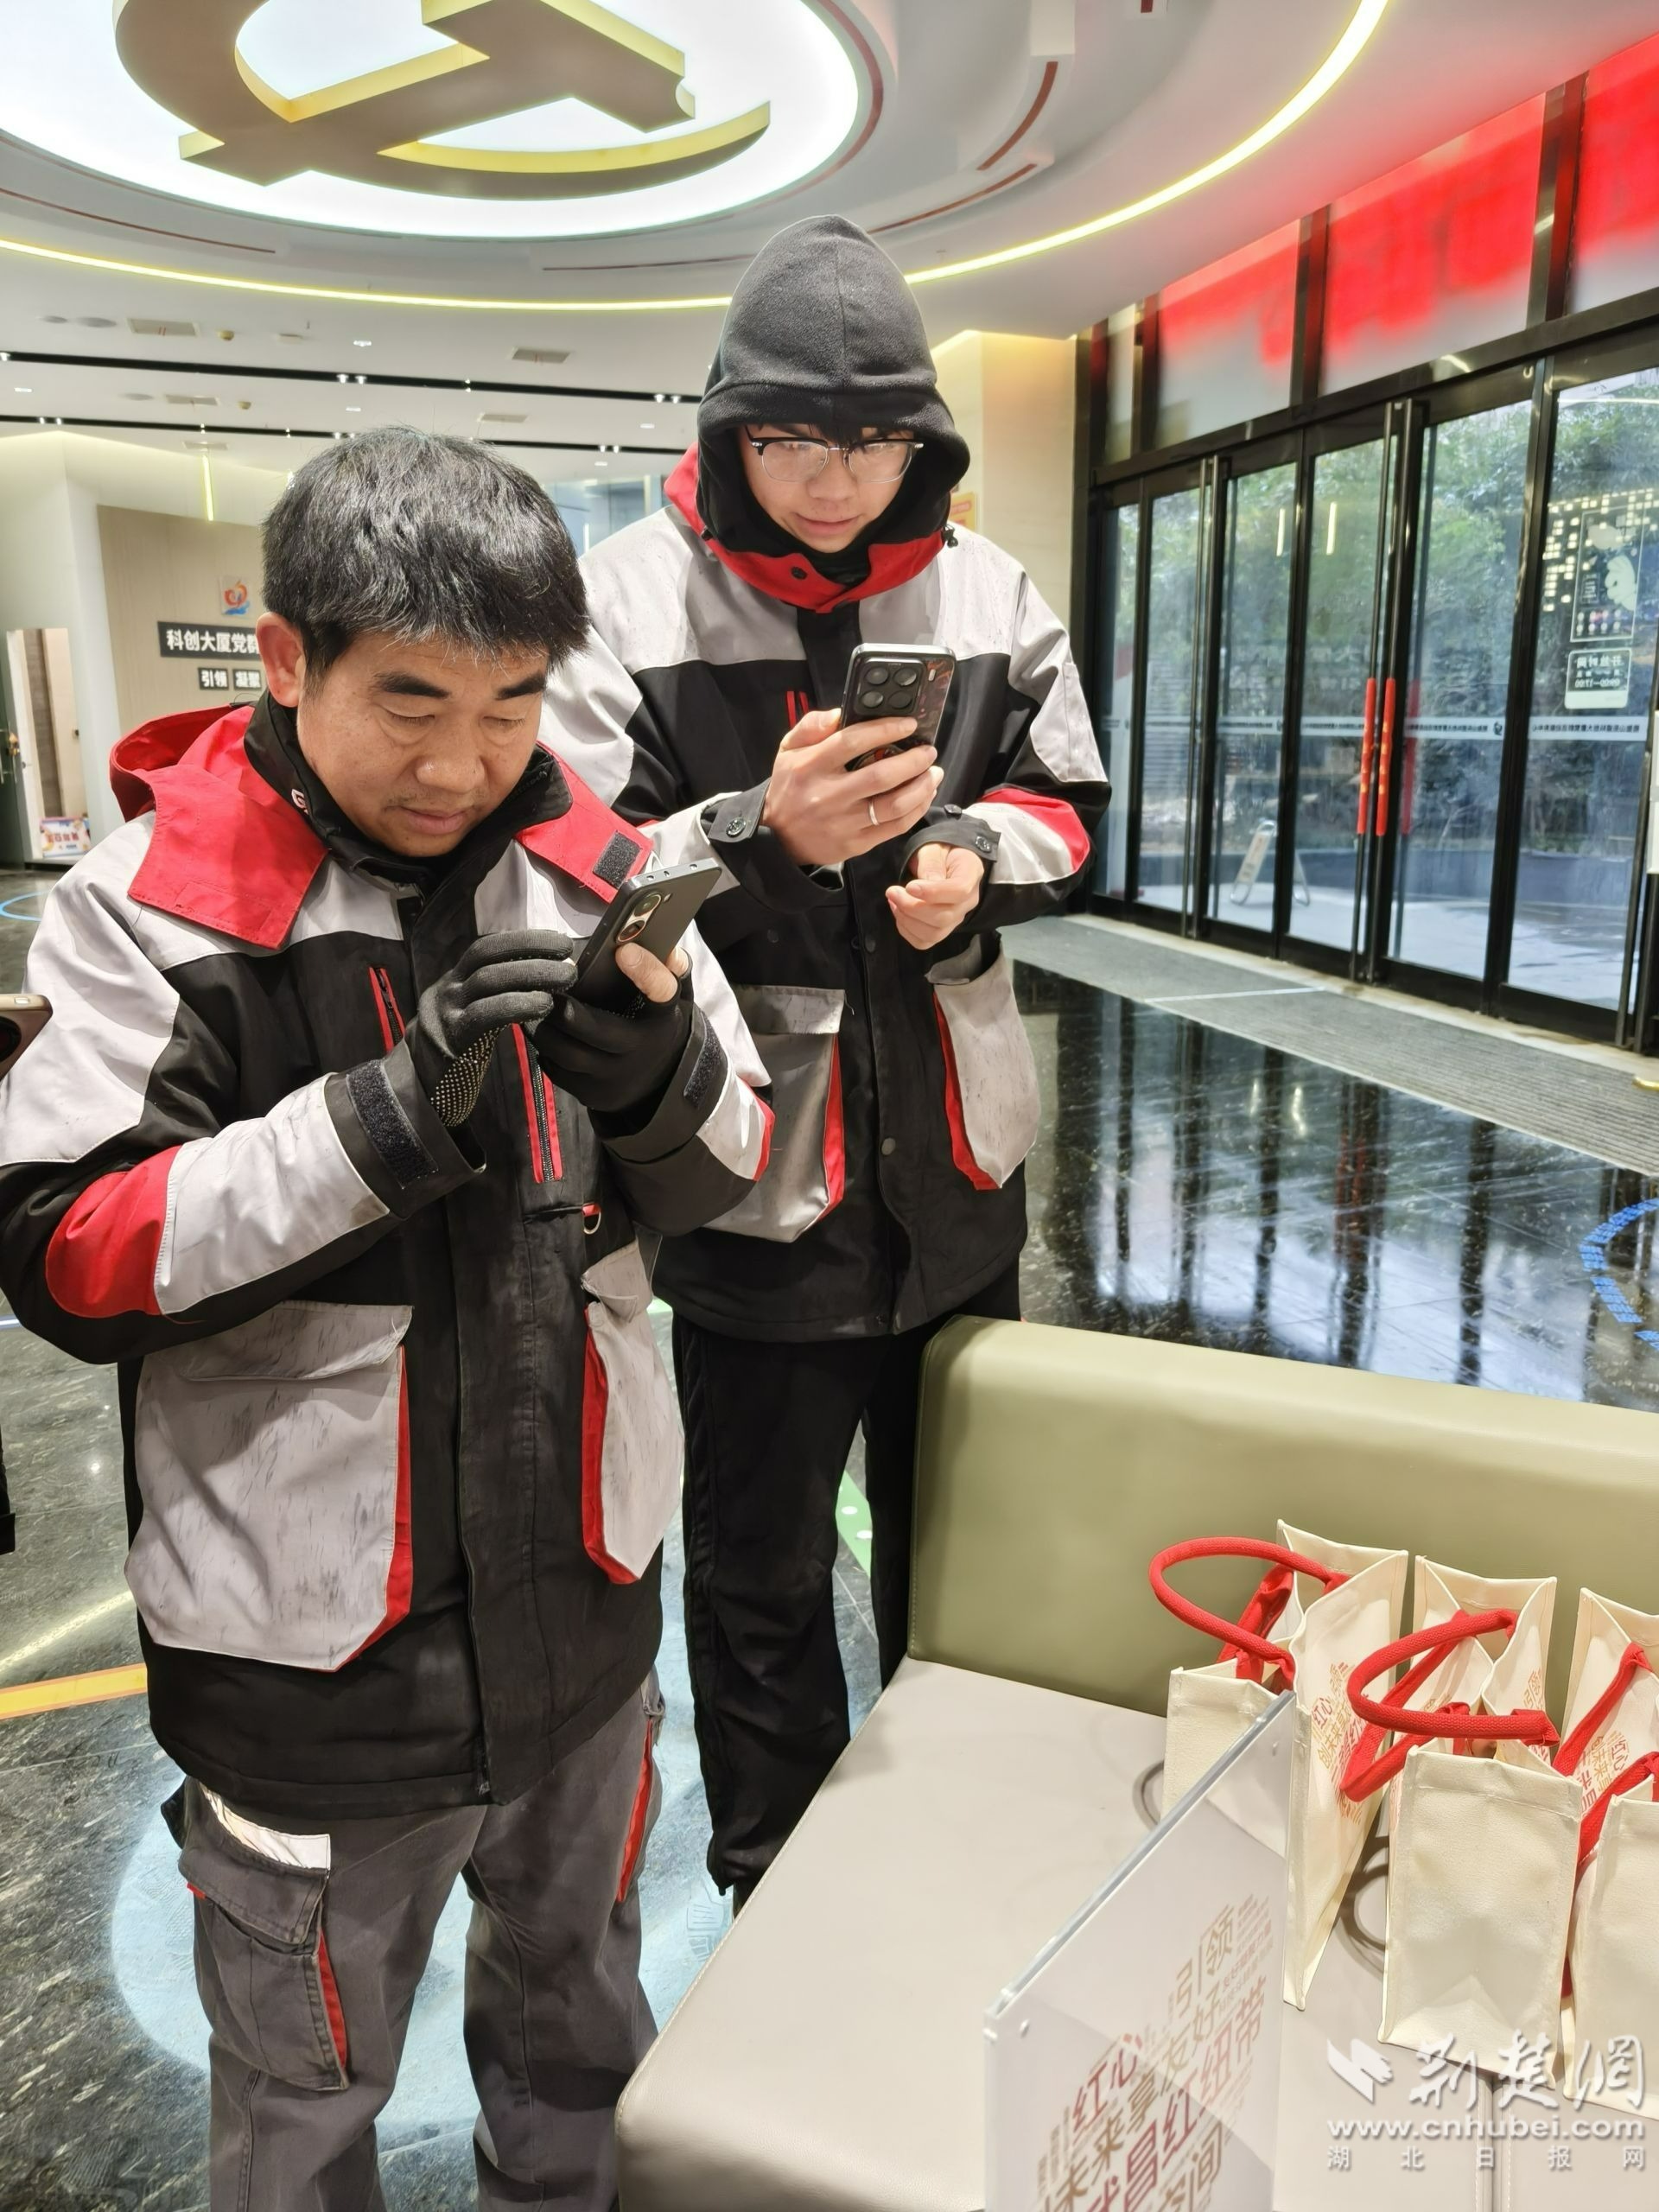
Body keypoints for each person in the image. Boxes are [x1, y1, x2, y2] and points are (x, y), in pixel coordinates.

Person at [0, 428, 770, 2212]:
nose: (463, 761)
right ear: (287, 659)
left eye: (510, 705)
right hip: (308, 1667)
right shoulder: (150, 911)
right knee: (300, 2102)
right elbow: (65, 1251)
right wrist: (378, 1125)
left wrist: (657, 1072)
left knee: (580, 2036)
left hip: (585, 1616)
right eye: (409, 700)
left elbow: (731, 1165)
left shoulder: (602, 868)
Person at [544, 214, 1109, 1902]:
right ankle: (773, 1884)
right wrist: (754, 829)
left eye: (873, 444)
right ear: (729, 427)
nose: (833, 481)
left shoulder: (988, 589)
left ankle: (949, 1867)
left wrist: (972, 860)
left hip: (959, 1176)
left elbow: (1073, 806)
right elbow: (571, 874)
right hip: (746, 1187)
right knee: (761, 1575)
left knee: (968, 1562)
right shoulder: (624, 599)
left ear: (921, 441)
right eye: (790, 438)